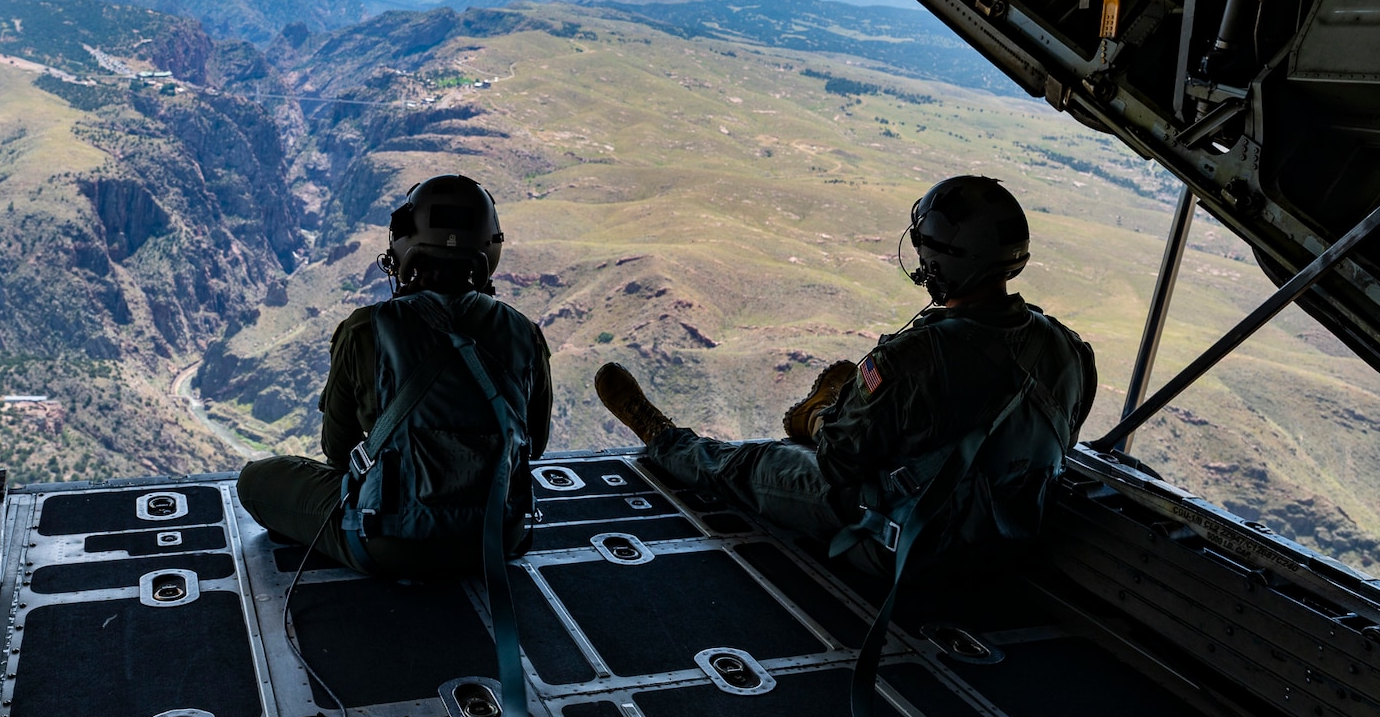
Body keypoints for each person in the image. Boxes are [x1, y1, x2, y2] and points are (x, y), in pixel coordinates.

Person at [593, 175, 1095, 576]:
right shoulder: (1071, 350)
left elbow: (837, 465)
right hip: (1004, 550)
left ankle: (665, 439)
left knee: (756, 463)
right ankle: (829, 409)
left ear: (942, 260)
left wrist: (830, 428)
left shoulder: (914, 357)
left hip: (907, 547)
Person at [238, 174, 553, 577]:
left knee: (256, 480)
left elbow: (337, 451)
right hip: (497, 540)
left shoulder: (367, 328)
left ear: (402, 245)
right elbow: (536, 443)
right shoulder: (523, 331)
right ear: (490, 246)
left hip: (393, 546)